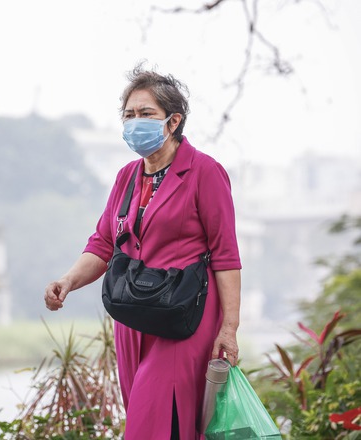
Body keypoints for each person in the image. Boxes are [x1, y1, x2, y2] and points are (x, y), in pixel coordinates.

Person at [44, 62, 242, 439]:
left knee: (151, 423)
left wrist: (229, 328)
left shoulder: (205, 172)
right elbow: (103, 243)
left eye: (146, 113)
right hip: (133, 318)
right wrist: (68, 280)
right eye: (129, 114)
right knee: (153, 418)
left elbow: (226, 255)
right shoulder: (127, 177)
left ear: (173, 121)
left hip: (185, 318)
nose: (136, 122)